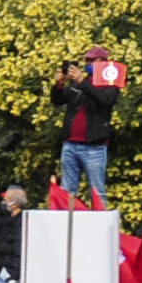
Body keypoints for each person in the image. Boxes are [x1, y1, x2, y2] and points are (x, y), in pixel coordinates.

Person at [53, 51, 119, 203]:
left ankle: (100, 225)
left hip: (94, 147)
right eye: (86, 60)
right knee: (67, 191)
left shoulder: (110, 84)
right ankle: (67, 225)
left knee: (97, 192)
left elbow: (105, 100)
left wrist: (83, 82)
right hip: (70, 145)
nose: (88, 64)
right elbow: (58, 100)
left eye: (92, 60)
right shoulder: (80, 83)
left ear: (103, 62)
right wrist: (59, 84)